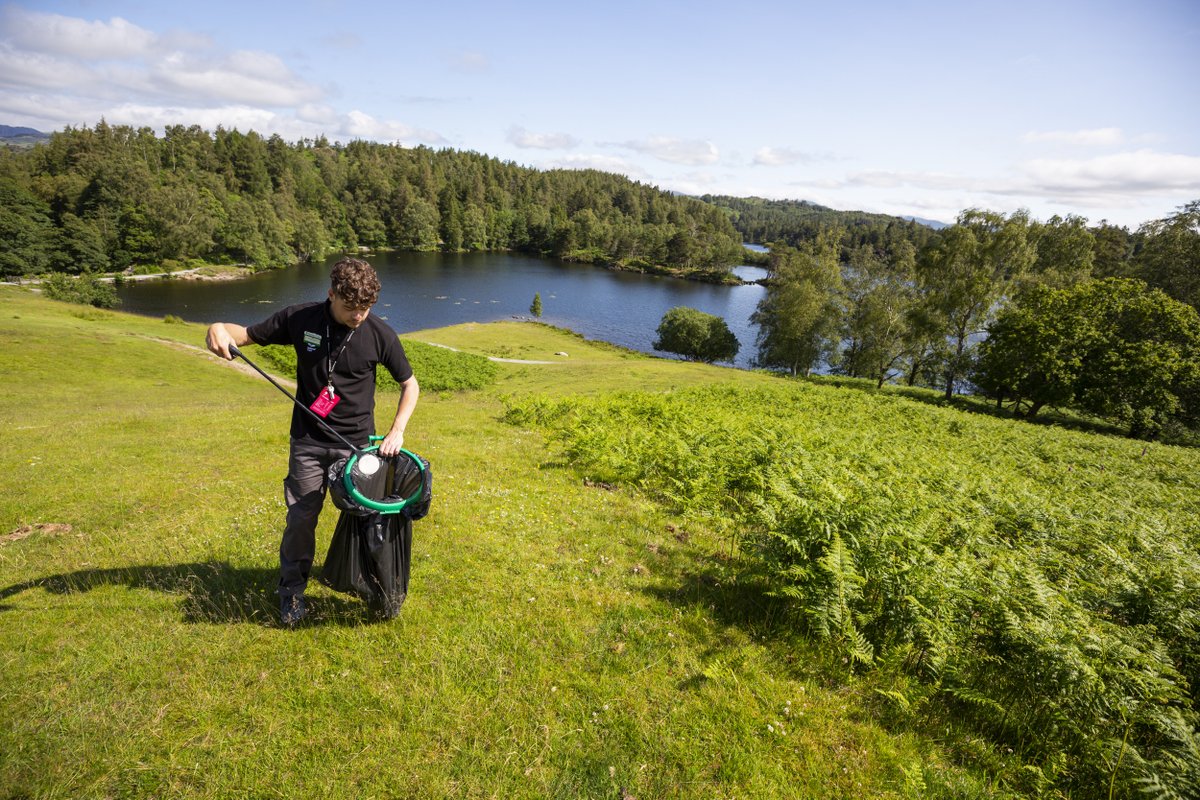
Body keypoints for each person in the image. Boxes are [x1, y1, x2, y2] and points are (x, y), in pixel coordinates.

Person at [205, 258, 419, 625]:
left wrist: (397, 429)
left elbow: (409, 385)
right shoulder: (300, 318)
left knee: (370, 520)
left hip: (357, 448)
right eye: (351, 308)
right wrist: (216, 328)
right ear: (330, 294)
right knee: (302, 519)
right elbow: (241, 334)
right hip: (307, 443)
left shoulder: (380, 334)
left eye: (366, 308)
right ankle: (291, 593)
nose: (359, 316)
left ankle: (376, 589)